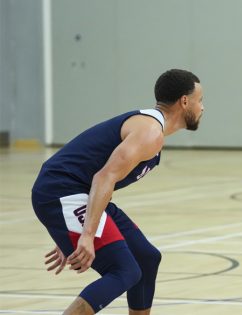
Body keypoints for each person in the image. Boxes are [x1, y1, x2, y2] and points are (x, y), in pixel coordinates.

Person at [31, 69, 204, 314]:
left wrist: (70, 227)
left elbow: (97, 176)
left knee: (146, 258)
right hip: (60, 191)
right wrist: (86, 234)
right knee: (125, 271)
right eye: (200, 100)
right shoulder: (149, 132)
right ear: (184, 101)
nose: (202, 108)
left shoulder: (151, 129)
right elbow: (104, 177)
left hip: (73, 192)